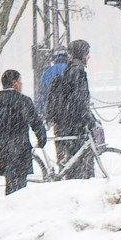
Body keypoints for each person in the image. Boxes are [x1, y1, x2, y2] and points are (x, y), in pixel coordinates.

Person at [0, 69, 47, 196]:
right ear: (14, 83)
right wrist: (41, 137)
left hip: (5, 150)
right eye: (20, 81)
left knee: (10, 182)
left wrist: (0, 143)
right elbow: (35, 122)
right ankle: (17, 207)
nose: (21, 84)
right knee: (21, 183)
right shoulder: (24, 101)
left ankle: (10, 205)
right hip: (21, 147)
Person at [44, 39, 98, 178]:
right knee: (79, 165)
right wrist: (90, 120)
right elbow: (80, 101)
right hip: (75, 124)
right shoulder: (78, 71)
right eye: (87, 53)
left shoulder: (69, 68)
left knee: (70, 162)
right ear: (81, 54)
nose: (89, 57)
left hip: (65, 123)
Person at [34, 47, 68, 116]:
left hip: (52, 109)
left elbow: (42, 93)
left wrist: (38, 110)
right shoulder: (72, 69)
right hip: (69, 109)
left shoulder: (47, 72)